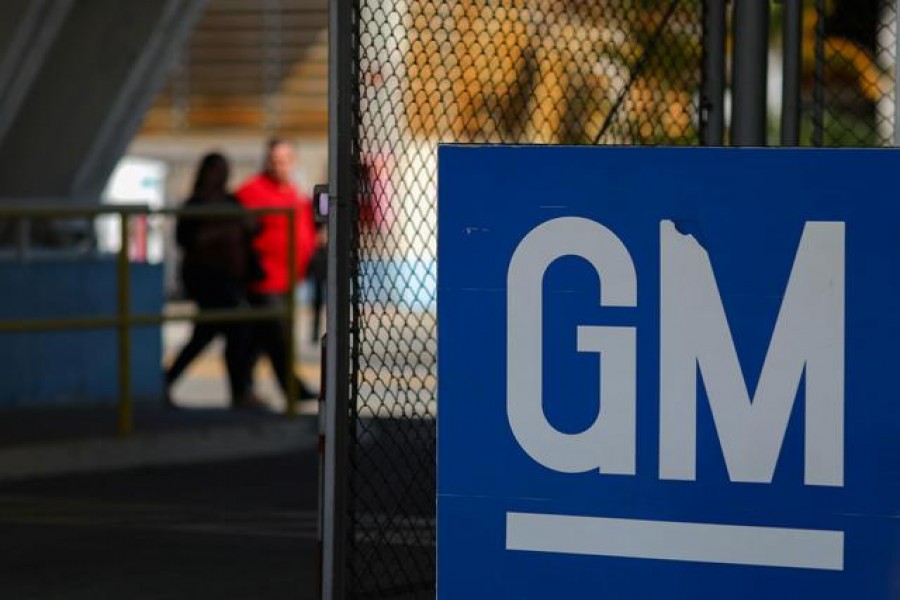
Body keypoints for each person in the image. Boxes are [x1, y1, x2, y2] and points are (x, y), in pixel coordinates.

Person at [164, 152, 264, 410]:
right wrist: (220, 232)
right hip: (207, 279)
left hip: (232, 278)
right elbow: (186, 240)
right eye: (217, 170)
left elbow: (250, 229)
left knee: (224, 334)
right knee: (228, 333)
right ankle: (240, 392)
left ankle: (239, 392)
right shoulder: (195, 205)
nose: (221, 176)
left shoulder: (231, 201)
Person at [236, 138, 318, 401]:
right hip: (265, 279)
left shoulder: (294, 193)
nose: (278, 166)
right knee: (277, 337)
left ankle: (243, 387)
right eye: (274, 160)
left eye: (284, 161)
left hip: (288, 278)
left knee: (261, 339)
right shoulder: (252, 191)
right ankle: (291, 389)